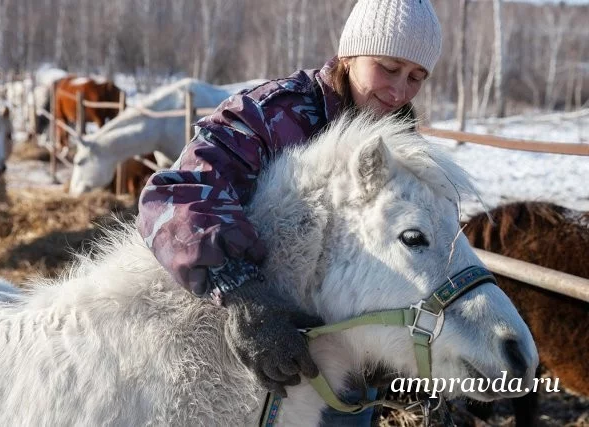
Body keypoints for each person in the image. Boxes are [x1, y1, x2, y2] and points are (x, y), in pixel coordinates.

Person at [137, 0, 441, 423]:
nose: (399, 91)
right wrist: (244, 294)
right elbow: (175, 197)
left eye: (416, 77)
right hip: (253, 363)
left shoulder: (400, 142)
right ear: (351, 54)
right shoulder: (273, 114)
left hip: (348, 369)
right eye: (388, 68)